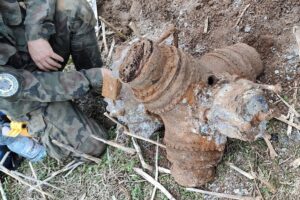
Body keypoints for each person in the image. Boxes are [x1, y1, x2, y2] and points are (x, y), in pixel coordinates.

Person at [0, 0, 108, 162]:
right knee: (93, 145)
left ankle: (100, 94)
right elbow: (26, 86)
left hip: (37, 53)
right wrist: (90, 78)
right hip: (26, 99)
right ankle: (43, 132)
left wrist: (36, 35)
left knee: (73, 7)